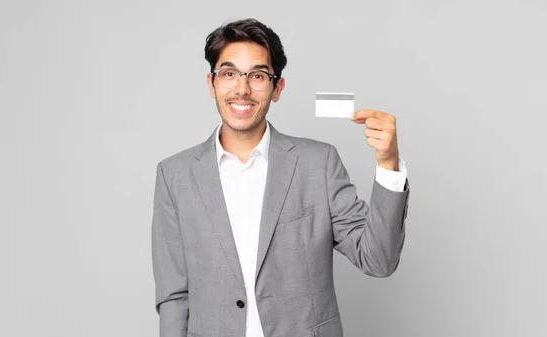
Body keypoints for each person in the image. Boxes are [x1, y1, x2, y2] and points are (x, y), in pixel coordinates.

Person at [151, 18, 410, 337]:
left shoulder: (318, 163)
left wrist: (388, 164)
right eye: (230, 73)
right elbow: (174, 295)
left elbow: (379, 260)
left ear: (277, 88)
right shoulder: (174, 175)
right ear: (212, 83)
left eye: (257, 75)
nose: (242, 89)